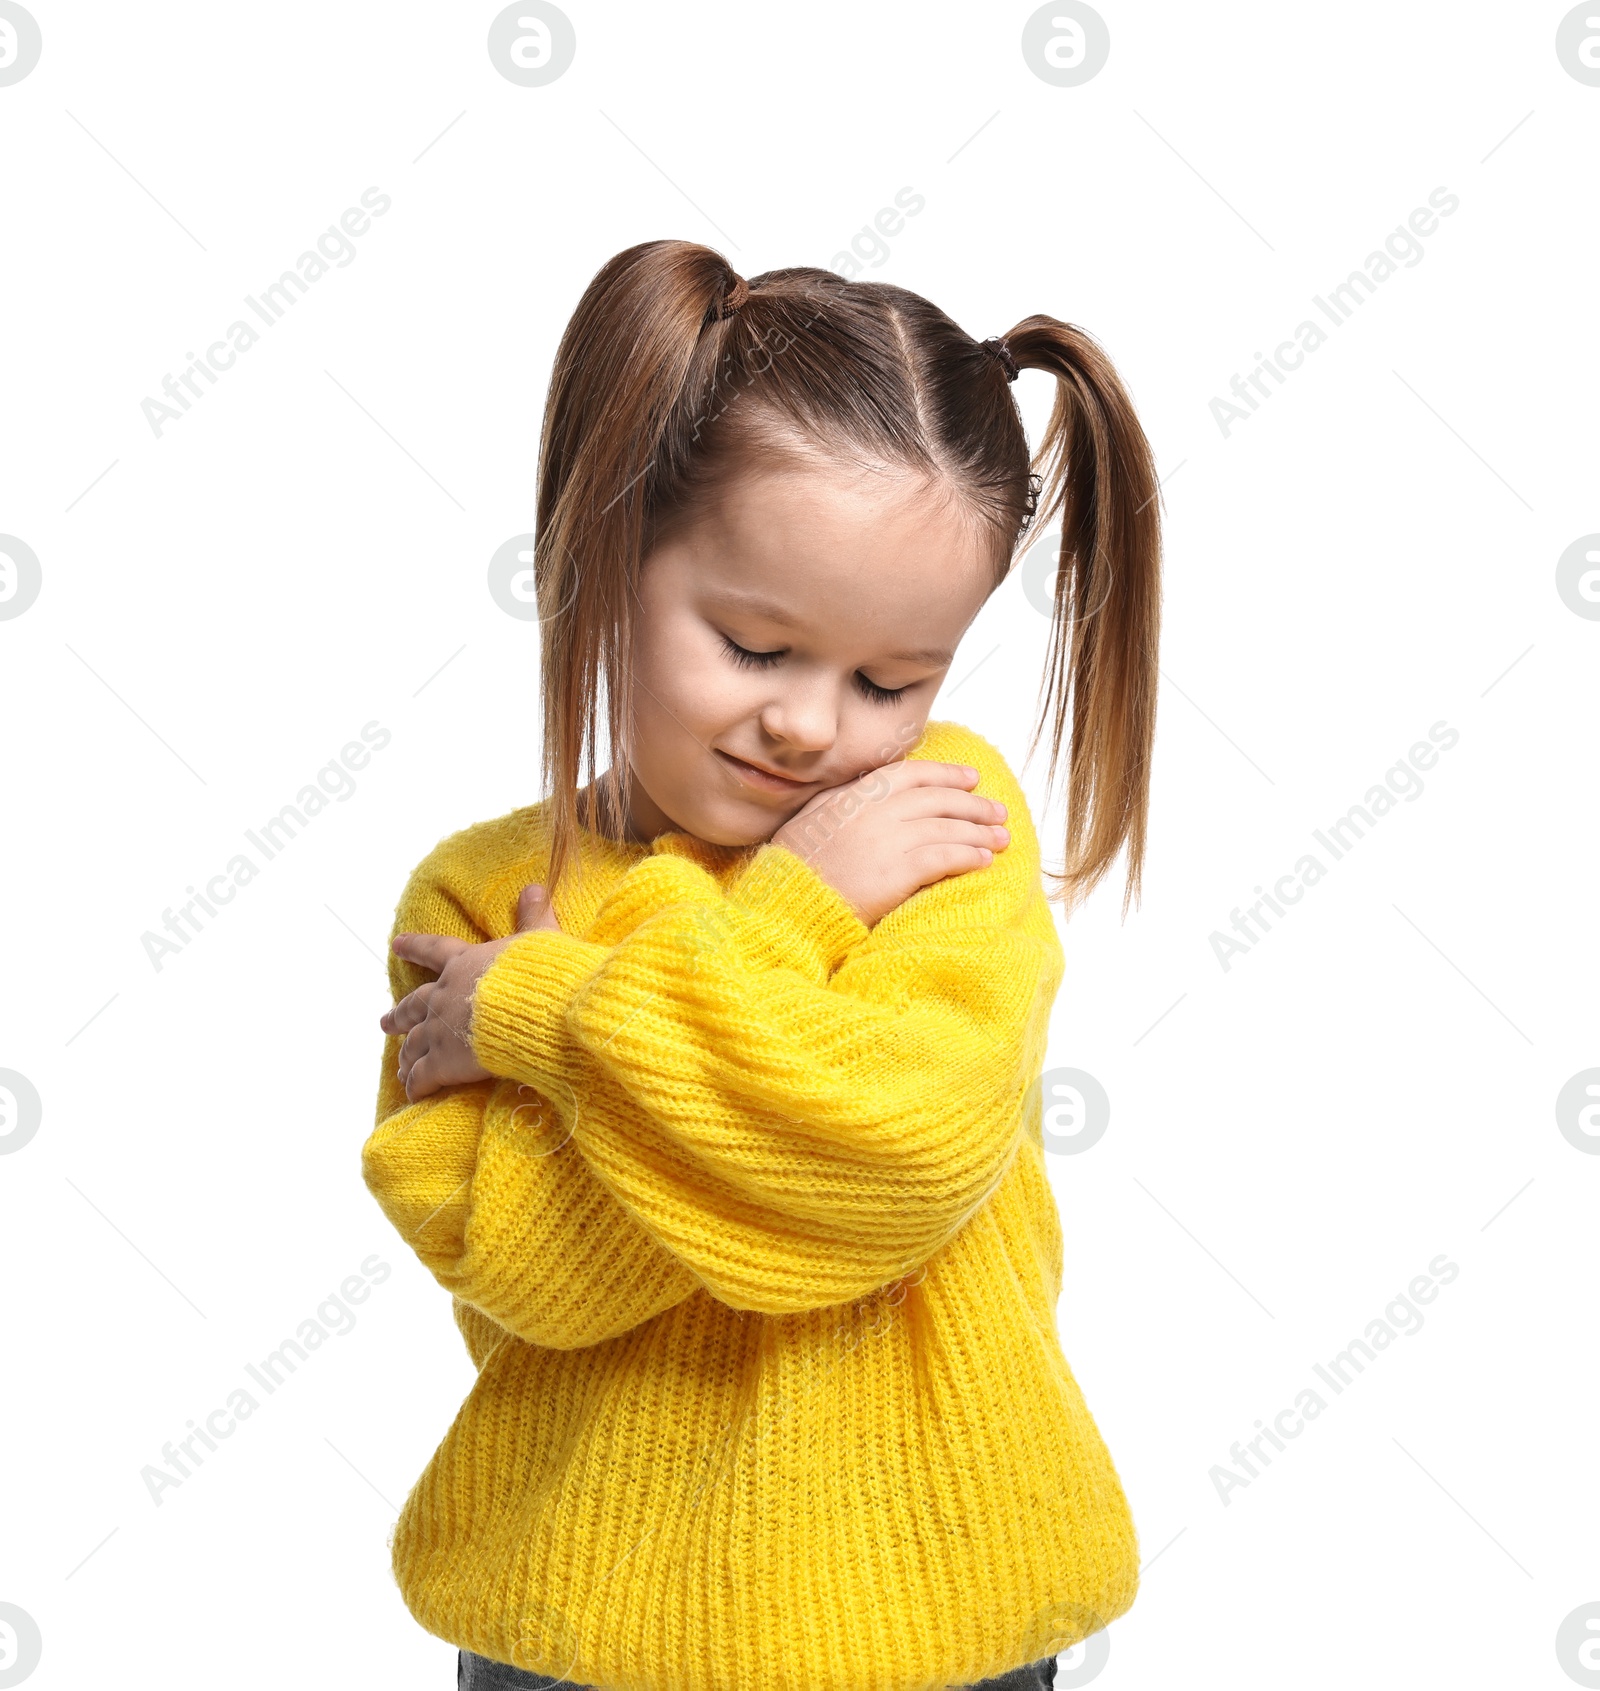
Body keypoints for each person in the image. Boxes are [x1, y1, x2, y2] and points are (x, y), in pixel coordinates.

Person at [362, 238, 1161, 1691]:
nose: (808, 726)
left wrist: (551, 1017)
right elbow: (535, 1275)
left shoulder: (941, 829)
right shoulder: (482, 896)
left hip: (937, 1625)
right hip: (577, 1638)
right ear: (608, 563)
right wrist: (782, 947)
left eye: (887, 681)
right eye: (750, 644)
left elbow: (881, 1164)